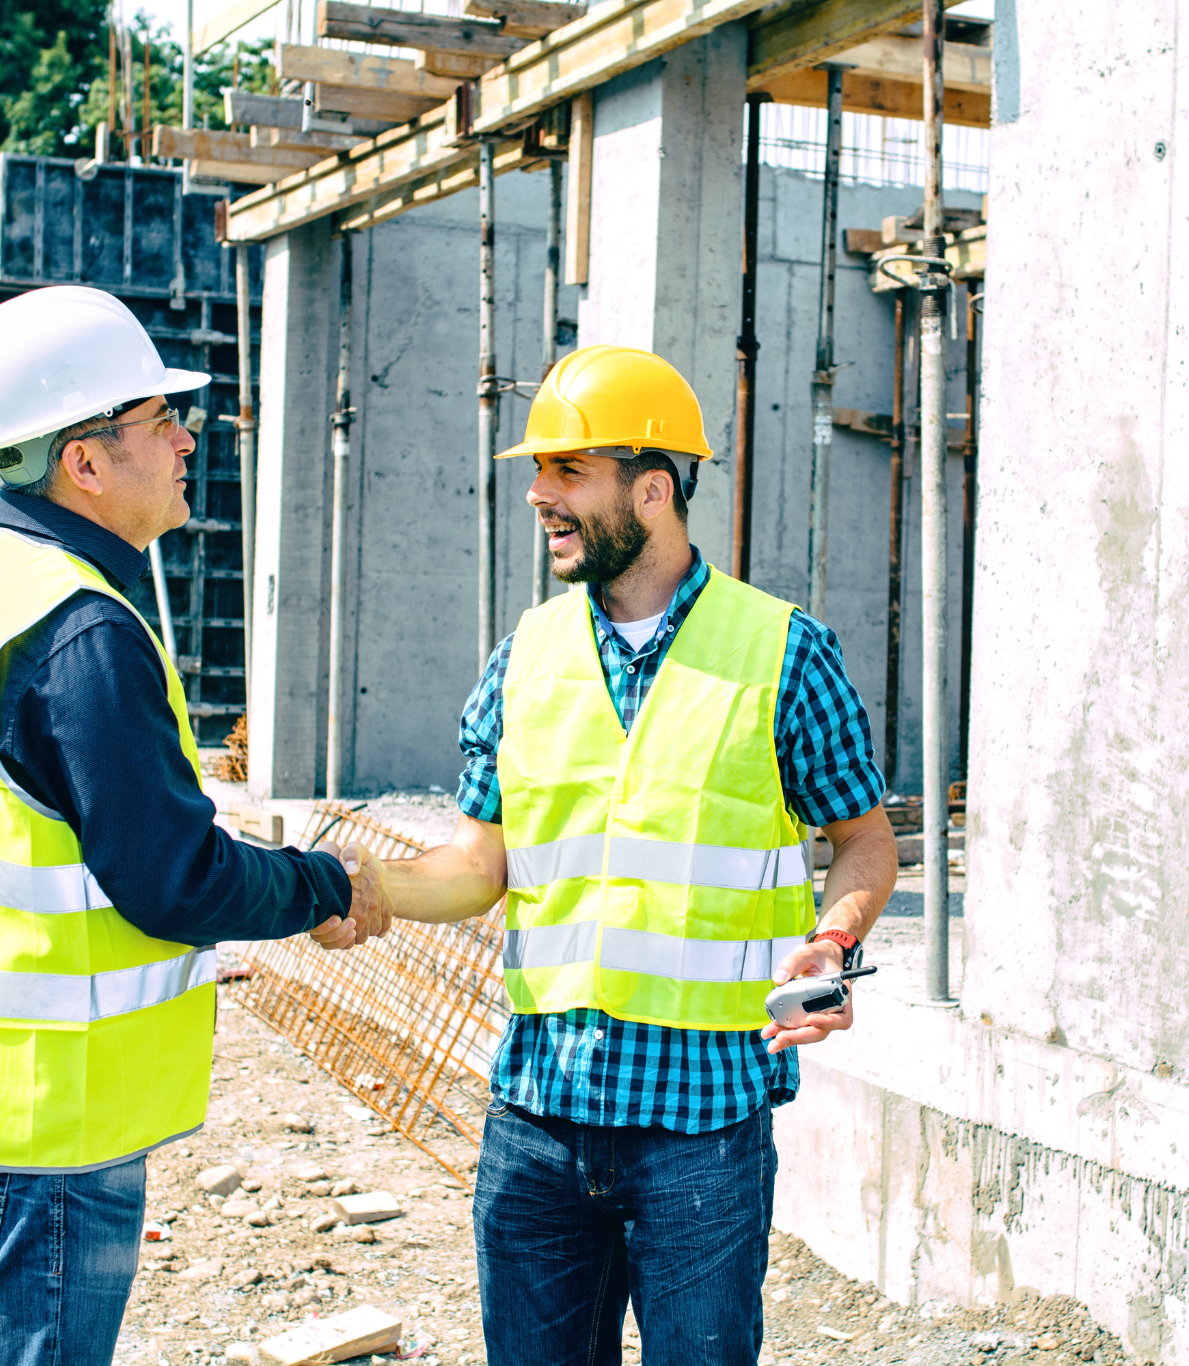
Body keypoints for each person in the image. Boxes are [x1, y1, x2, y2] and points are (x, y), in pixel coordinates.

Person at [0, 285, 386, 1366]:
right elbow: (172, 877)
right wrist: (322, 884)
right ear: (85, 461)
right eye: (159, 418)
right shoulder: (80, 629)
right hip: (37, 1139)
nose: (188, 438)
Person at [367, 345, 898, 1366]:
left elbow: (865, 840)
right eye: (539, 472)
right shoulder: (525, 655)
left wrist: (831, 943)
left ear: (651, 490)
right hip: (537, 1119)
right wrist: (354, 887)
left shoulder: (784, 651)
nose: (537, 494)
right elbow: (480, 865)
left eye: (567, 472)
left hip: (701, 1128)